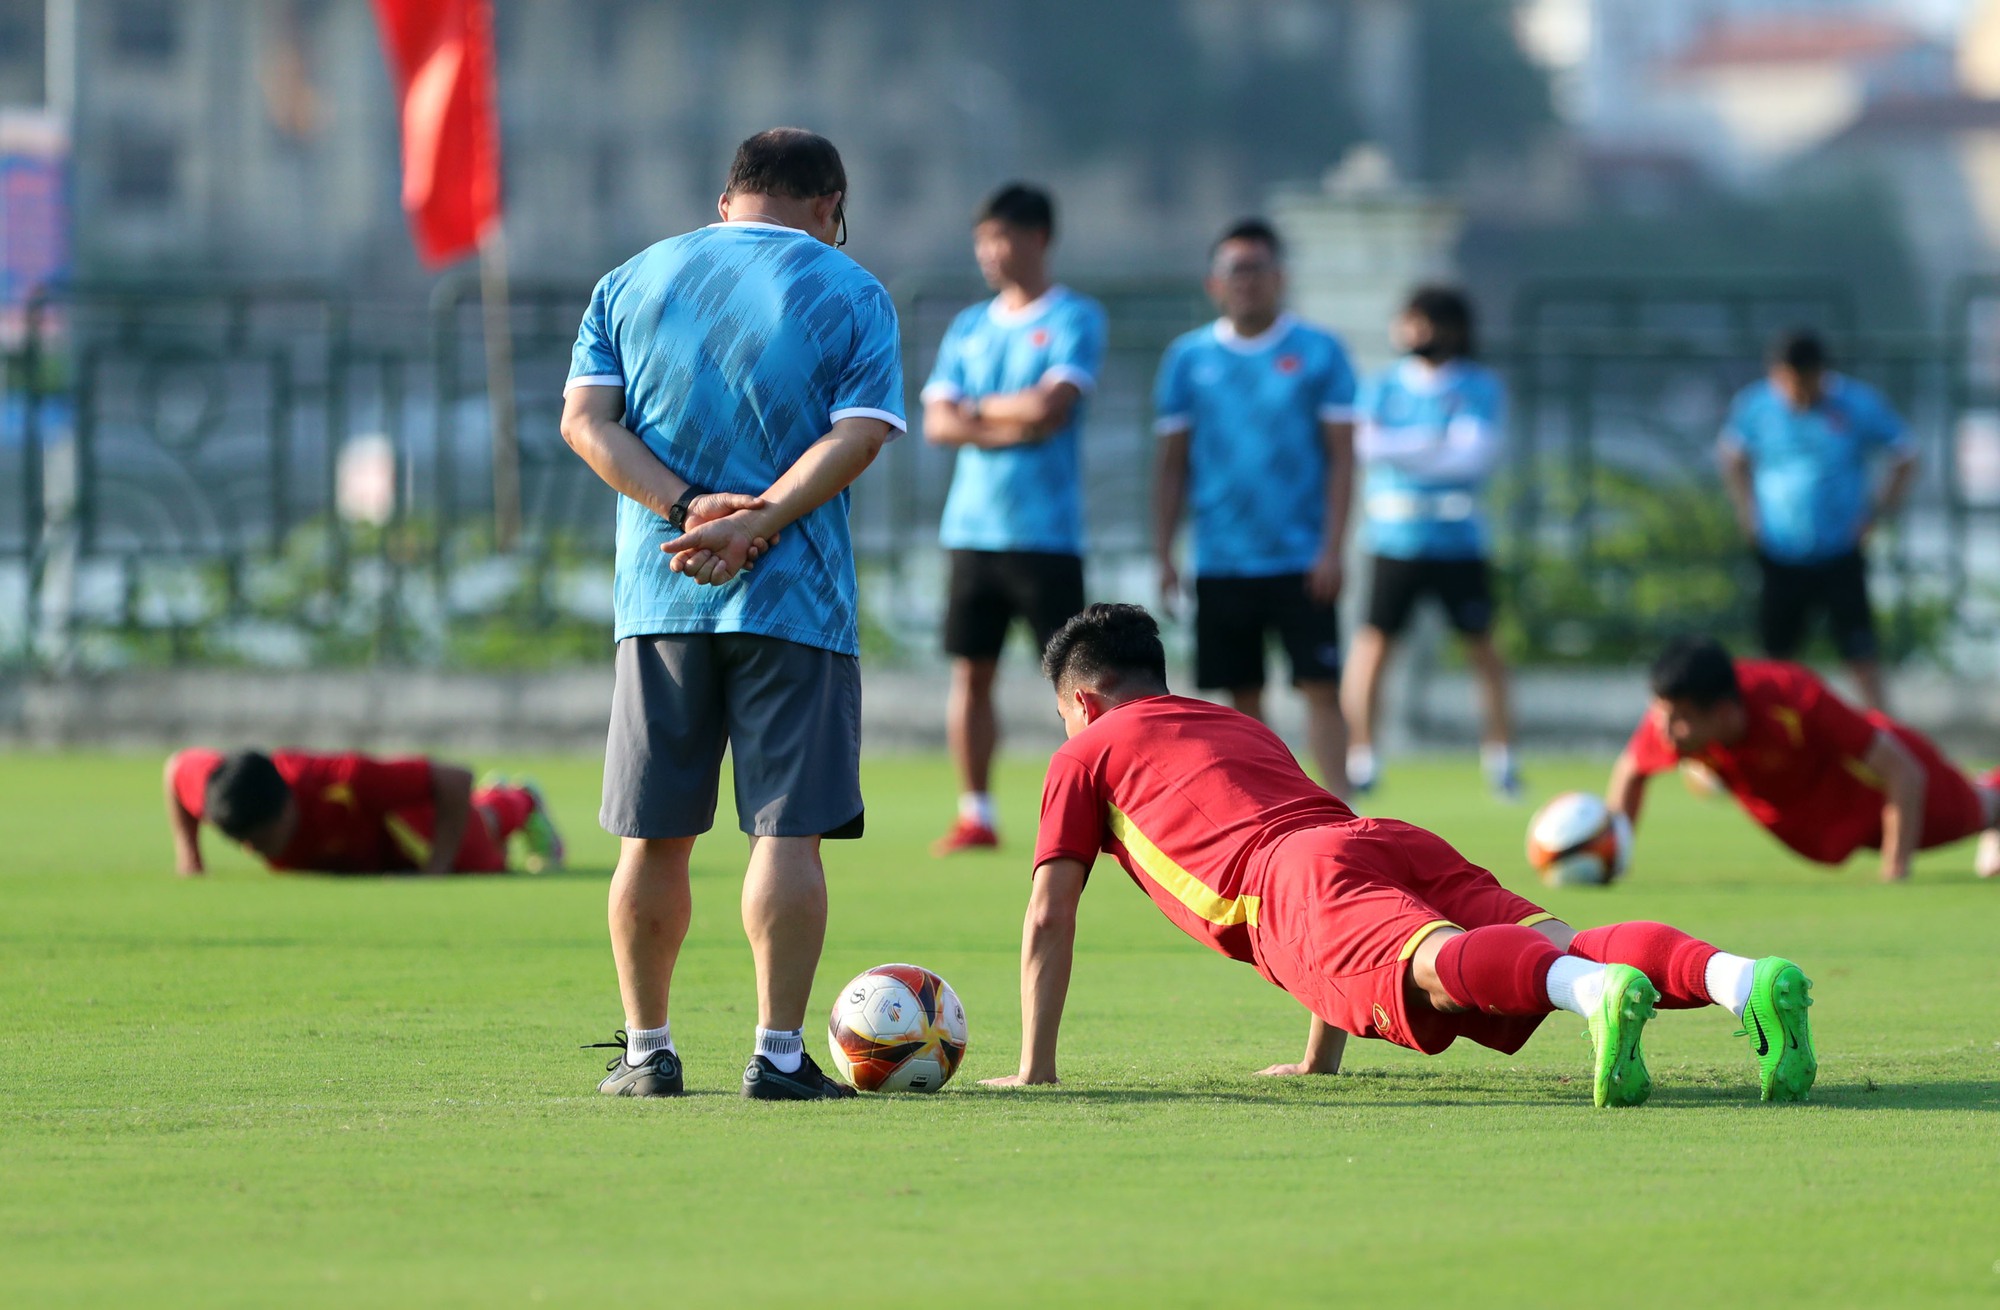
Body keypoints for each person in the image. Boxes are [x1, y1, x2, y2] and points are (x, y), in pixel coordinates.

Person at [983, 604, 1818, 1107]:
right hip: (1377, 838)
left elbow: (1050, 913)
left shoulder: (1081, 754)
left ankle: (1596, 997)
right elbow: (1330, 855)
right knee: (1559, 937)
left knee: (1436, 962)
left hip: (1291, 882)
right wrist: (1319, 1057)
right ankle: (1740, 979)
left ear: (1082, 700)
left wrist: (1036, 1071)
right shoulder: (1233, 721)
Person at [561, 128, 903, 1101]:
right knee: (785, 832)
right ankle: (778, 1054)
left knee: (652, 836)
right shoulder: (851, 289)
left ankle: (646, 1050)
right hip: (795, 596)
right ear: (830, 203)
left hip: (660, 588)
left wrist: (686, 509)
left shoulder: (628, 280)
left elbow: (585, 423)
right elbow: (861, 434)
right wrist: (757, 518)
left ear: (726, 199)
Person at [922, 183, 1107, 855]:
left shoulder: (1074, 318)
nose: (990, 253)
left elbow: (1048, 409)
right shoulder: (969, 326)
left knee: (1075, 681)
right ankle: (977, 812)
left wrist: (980, 414)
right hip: (971, 530)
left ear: (1039, 240)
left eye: (1001, 238)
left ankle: (1099, 812)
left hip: (1045, 533)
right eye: (982, 241)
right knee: (971, 674)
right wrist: (1006, 419)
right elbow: (939, 423)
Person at [1151, 218, 1355, 792]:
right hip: (1222, 558)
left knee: (1320, 684)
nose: (1248, 281)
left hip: (1300, 558)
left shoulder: (1319, 352)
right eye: (1235, 270)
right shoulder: (1188, 360)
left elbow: (1342, 458)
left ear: (1280, 277)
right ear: (1214, 283)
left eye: (1258, 269)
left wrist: (1333, 548)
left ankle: (1343, 810)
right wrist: (1165, 552)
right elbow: (1171, 466)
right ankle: (1265, 811)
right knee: (1241, 698)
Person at [1608, 636, 2000, 883]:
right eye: (1660, 714)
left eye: (1678, 720)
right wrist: (1609, 854)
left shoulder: (1792, 696)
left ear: (1725, 713)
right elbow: (1631, 771)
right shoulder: (1676, 713)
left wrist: (1895, 870)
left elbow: (1904, 771)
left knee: (1982, 809)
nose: (1662, 731)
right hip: (1824, 817)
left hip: (1882, 789)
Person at [1341, 287, 1519, 799]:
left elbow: (1471, 457)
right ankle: (1363, 754)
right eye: (1408, 321)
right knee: (1374, 644)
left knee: (1482, 646)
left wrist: (1406, 447)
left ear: (1452, 329)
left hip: (1458, 538)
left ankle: (1501, 755)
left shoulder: (1478, 386)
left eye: (1423, 322)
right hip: (1394, 537)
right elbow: (1367, 445)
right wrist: (1433, 442)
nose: (1412, 333)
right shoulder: (1382, 386)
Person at [1719, 330, 1917, 713]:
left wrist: (1875, 515)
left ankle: (1889, 736)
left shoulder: (1855, 404)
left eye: (1806, 382)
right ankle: (1770, 735)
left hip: (1839, 550)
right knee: (1776, 658)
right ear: (1776, 374)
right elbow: (1733, 455)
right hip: (1780, 551)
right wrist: (1749, 515)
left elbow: (1905, 455)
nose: (1799, 393)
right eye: (1790, 382)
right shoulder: (1757, 406)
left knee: (1860, 653)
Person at [164, 747, 561, 876]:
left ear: (286, 810)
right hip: (359, 856)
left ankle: (520, 800)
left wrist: (437, 871)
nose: (250, 848)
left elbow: (455, 779)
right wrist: (190, 858)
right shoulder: (226, 794)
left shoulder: (344, 780)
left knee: (478, 852)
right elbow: (176, 768)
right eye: (238, 840)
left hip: (405, 830)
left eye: (259, 837)